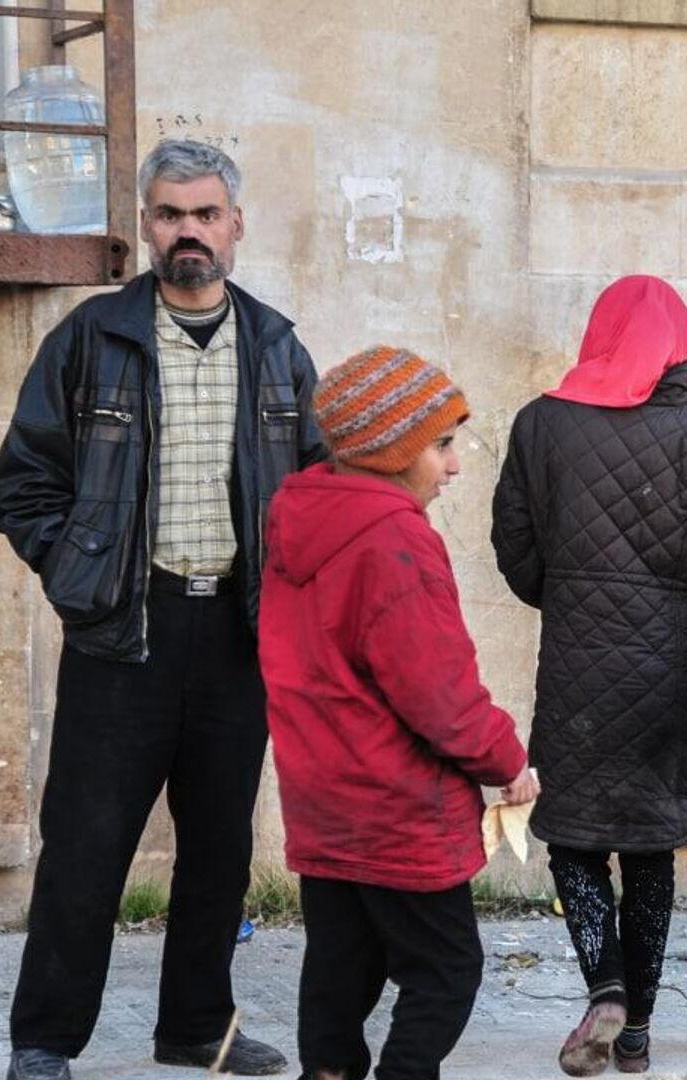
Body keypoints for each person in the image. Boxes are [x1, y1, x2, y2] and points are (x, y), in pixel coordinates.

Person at [0, 139, 323, 1080]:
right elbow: (21, 483)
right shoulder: (92, 338)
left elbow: (319, 489)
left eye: (206, 215)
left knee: (219, 850)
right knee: (85, 849)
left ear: (235, 225)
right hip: (120, 629)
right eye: (171, 214)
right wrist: (75, 570)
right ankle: (45, 1041)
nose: (189, 232)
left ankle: (195, 1030)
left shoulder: (278, 348)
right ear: (147, 223)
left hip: (237, 634)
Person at [490, 275, 687, 1077]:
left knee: (573, 843)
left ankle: (605, 989)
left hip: (574, 680)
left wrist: (572, 594)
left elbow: (515, 553)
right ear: (678, 348)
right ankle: (639, 1031)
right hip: (673, 680)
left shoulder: (541, 424)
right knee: (651, 850)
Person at [260, 346, 537, 1080]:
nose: (453, 466)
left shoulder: (300, 521)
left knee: (341, 970)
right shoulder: (396, 539)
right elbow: (438, 691)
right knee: (446, 971)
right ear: (390, 449)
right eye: (441, 445)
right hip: (397, 807)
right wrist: (506, 759)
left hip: (322, 802)